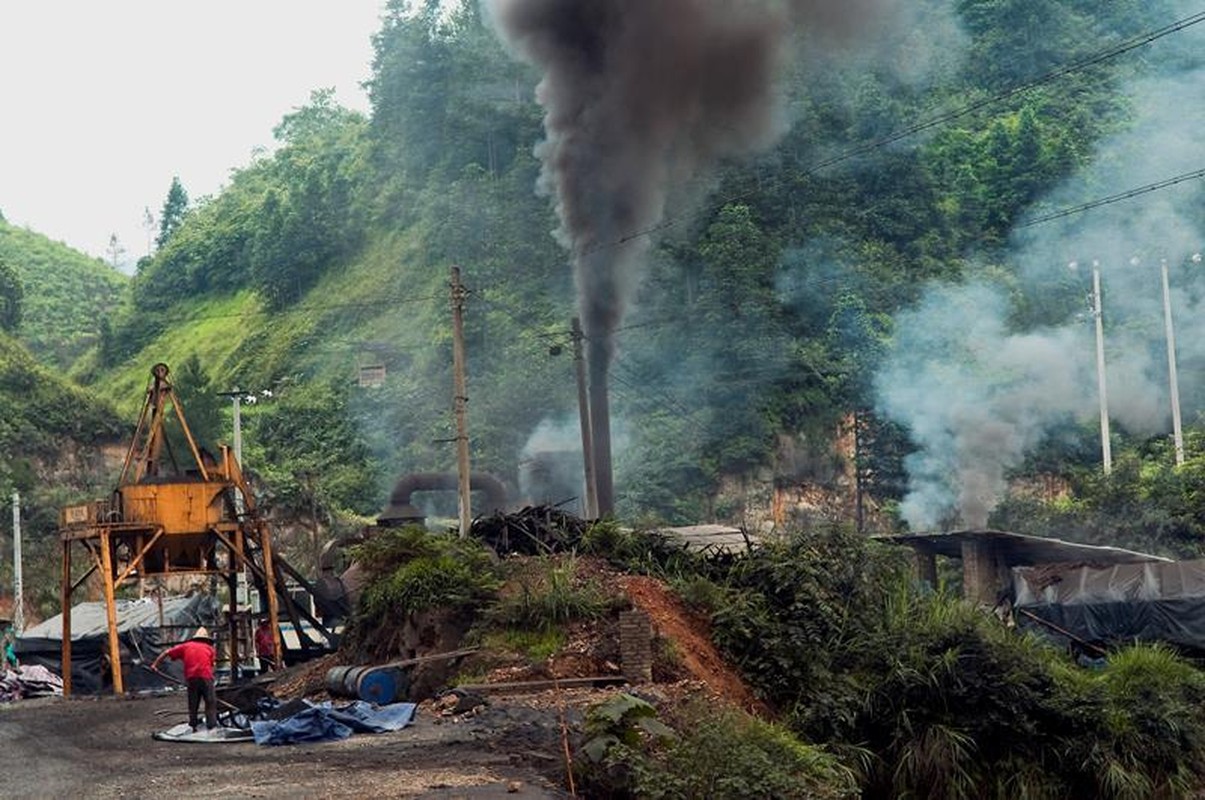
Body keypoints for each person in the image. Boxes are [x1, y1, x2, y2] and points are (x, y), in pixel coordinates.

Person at [151, 626, 217, 731]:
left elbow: (166, 652)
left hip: (191, 678)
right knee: (210, 702)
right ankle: (212, 726)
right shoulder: (210, 649)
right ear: (206, 639)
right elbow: (212, 665)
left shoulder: (186, 646)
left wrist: (155, 665)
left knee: (193, 702)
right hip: (206, 677)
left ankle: (193, 724)